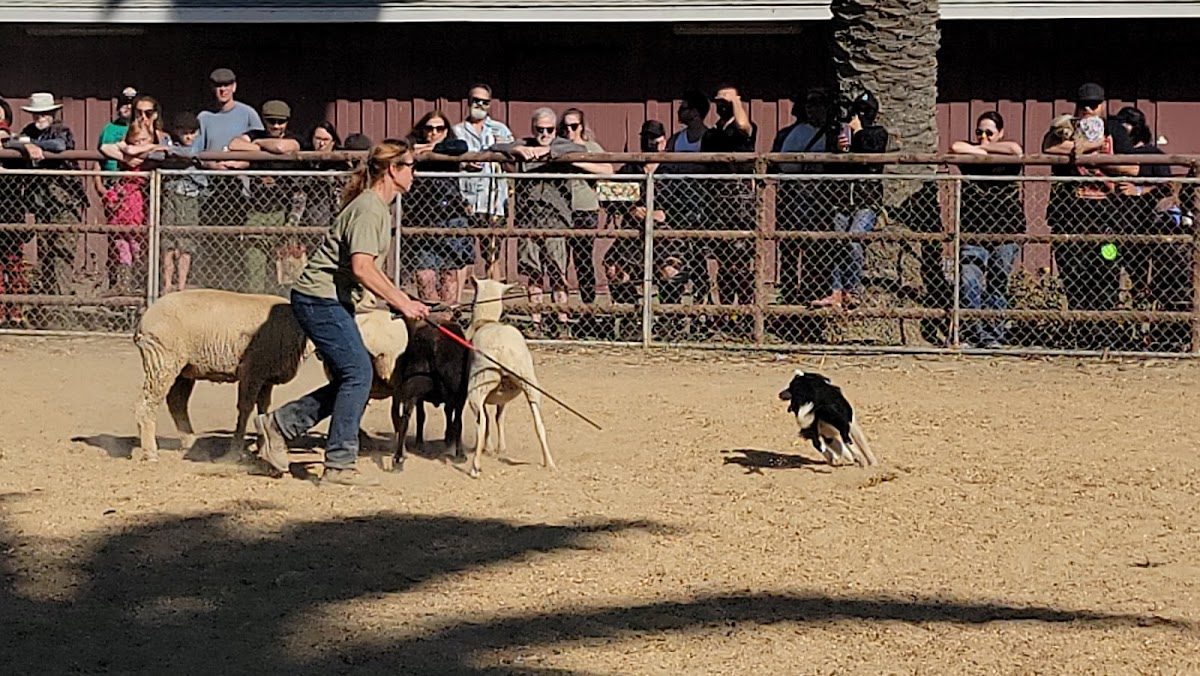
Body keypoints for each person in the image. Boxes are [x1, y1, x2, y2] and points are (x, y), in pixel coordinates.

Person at [256, 139, 431, 487]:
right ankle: (338, 463)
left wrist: (402, 298)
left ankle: (280, 425)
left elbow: (369, 270)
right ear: (393, 170)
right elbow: (363, 268)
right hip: (320, 299)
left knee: (353, 379)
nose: (415, 173)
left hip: (328, 299)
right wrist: (401, 303)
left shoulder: (377, 207)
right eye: (410, 165)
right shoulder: (370, 209)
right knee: (359, 374)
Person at [1042, 82, 1138, 349]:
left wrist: (1093, 154)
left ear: (1103, 104)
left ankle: (1104, 337)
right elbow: (1048, 149)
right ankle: (1082, 336)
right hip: (1069, 218)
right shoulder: (1065, 127)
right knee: (1073, 276)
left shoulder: (1114, 129)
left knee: (1106, 274)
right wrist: (1081, 148)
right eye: (1084, 104)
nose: (1088, 109)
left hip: (1106, 219)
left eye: (1094, 104)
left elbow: (1132, 168)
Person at [492, 108, 588, 337]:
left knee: (558, 272)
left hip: (557, 219)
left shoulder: (563, 146)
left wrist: (549, 151)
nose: (544, 133)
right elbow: (495, 148)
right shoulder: (525, 144)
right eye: (540, 129)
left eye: (549, 129)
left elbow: (580, 149)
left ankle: (562, 321)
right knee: (533, 272)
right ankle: (537, 322)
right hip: (528, 218)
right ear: (533, 128)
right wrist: (518, 149)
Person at [1111, 106, 1188, 350]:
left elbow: (1169, 188)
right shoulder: (1114, 157)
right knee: (1127, 278)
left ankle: (1158, 334)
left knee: (1153, 281)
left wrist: (1140, 190)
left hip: (1151, 229)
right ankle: (1129, 331)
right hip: (1123, 229)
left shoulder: (1153, 154)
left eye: (1124, 125)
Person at [950, 111, 1025, 348]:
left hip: (1007, 230)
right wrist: (981, 151)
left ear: (1000, 133)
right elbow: (955, 147)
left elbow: (1016, 150)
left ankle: (995, 335)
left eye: (989, 132)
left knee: (997, 283)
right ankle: (974, 333)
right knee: (969, 280)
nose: (983, 136)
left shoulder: (1008, 157)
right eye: (979, 132)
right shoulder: (970, 155)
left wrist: (986, 151)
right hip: (974, 231)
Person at [812, 91, 890, 310]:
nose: (860, 115)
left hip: (866, 201)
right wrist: (839, 145)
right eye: (857, 111)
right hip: (842, 200)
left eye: (866, 112)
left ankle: (852, 289)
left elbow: (871, 153)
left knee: (853, 241)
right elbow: (833, 162)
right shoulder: (840, 131)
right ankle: (835, 291)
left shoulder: (877, 133)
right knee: (837, 242)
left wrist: (858, 132)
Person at [10, 92, 89, 302]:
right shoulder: (28, 131)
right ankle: (46, 304)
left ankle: (61, 307)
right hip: (42, 204)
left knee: (61, 254)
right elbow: (11, 142)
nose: (40, 118)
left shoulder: (61, 129)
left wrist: (35, 145)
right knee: (45, 252)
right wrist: (26, 145)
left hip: (66, 202)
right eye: (36, 114)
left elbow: (59, 146)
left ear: (52, 113)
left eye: (44, 114)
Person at [229, 99, 304, 294]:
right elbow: (234, 144)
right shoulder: (254, 134)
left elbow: (282, 147)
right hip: (257, 211)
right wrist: (263, 147)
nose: (276, 126)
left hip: (284, 212)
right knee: (254, 266)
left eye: (281, 122)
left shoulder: (296, 138)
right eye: (271, 122)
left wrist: (259, 146)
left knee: (288, 271)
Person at [405, 110, 471, 306]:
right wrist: (420, 151)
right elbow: (404, 149)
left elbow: (462, 146)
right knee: (425, 276)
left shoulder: (450, 146)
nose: (434, 132)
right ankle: (432, 321)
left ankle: (447, 322)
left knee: (449, 275)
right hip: (421, 216)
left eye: (439, 128)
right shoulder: (412, 147)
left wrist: (434, 148)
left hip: (450, 215)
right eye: (429, 128)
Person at [559, 107, 613, 335]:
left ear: (582, 126)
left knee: (583, 260)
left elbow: (608, 170)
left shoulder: (591, 148)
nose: (570, 131)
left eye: (574, 126)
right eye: (567, 127)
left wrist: (579, 161)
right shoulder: (558, 146)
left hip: (585, 209)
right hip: (562, 210)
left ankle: (589, 308)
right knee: (559, 261)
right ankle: (559, 312)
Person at [453, 83, 514, 280]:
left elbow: (513, 165)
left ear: (490, 104)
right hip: (466, 201)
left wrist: (503, 149)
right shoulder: (456, 131)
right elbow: (447, 162)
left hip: (494, 202)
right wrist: (464, 164)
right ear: (468, 102)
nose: (479, 104)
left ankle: (494, 304)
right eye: (475, 100)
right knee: (462, 255)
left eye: (484, 102)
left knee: (492, 254)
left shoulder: (500, 129)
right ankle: (456, 305)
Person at [99, 122, 166, 295]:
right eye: (135, 141)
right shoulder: (127, 152)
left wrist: (135, 149)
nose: (139, 144)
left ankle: (143, 282)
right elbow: (105, 147)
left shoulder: (155, 151)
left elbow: (158, 152)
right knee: (121, 244)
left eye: (143, 139)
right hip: (123, 203)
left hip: (139, 202)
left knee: (138, 244)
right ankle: (124, 283)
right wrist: (125, 155)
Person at [160, 112, 202, 294]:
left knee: (186, 243)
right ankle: (167, 283)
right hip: (171, 194)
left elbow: (190, 153)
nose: (188, 136)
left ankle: (182, 284)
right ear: (177, 132)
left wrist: (173, 153)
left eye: (192, 132)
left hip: (190, 196)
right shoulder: (167, 142)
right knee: (168, 242)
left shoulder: (199, 143)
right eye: (184, 132)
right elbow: (157, 155)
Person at [0, 96, 29, 326]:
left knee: (14, 263)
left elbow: (24, 159)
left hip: (10, 209)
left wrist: (10, 144)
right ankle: (0, 312)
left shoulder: (16, 142)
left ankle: (16, 312)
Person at [94, 86, 137, 196]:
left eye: (131, 103)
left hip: (134, 182)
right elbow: (98, 159)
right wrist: (99, 186)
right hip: (112, 182)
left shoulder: (143, 129)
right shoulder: (109, 128)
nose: (128, 107)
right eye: (124, 103)